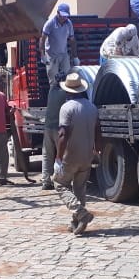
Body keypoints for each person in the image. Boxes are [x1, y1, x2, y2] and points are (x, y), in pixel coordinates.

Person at [52, 72, 102, 236]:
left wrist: (58, 158)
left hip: (70, 156)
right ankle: (76, 222)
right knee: (80, 188)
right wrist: (97, 150)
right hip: (87, 155)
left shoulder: (67, 108)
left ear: (68, 90)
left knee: (59, 184)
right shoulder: (92, 107)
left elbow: (63, 135)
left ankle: (81, 214)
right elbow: (98, 130)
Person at [40, 73, 68, 191]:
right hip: (58, 128)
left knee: (47, 155)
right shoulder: (64, 94)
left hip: (48, 127)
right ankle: (63, 181)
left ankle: (46, 181)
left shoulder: (51, 91)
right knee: (62, 156)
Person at [40, 3, 77, 83]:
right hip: (51, 55)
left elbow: (72, 40)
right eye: (62, 15)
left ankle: (66, 95)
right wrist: (43, 55)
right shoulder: (50, 23)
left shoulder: (69, 23)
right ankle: (54, 95)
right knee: (53, 81)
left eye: (66, 15)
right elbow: (42, 40)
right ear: (58, 13)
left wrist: (75, 56)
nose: (64, 17)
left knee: (68, 79)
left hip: (64, 54)